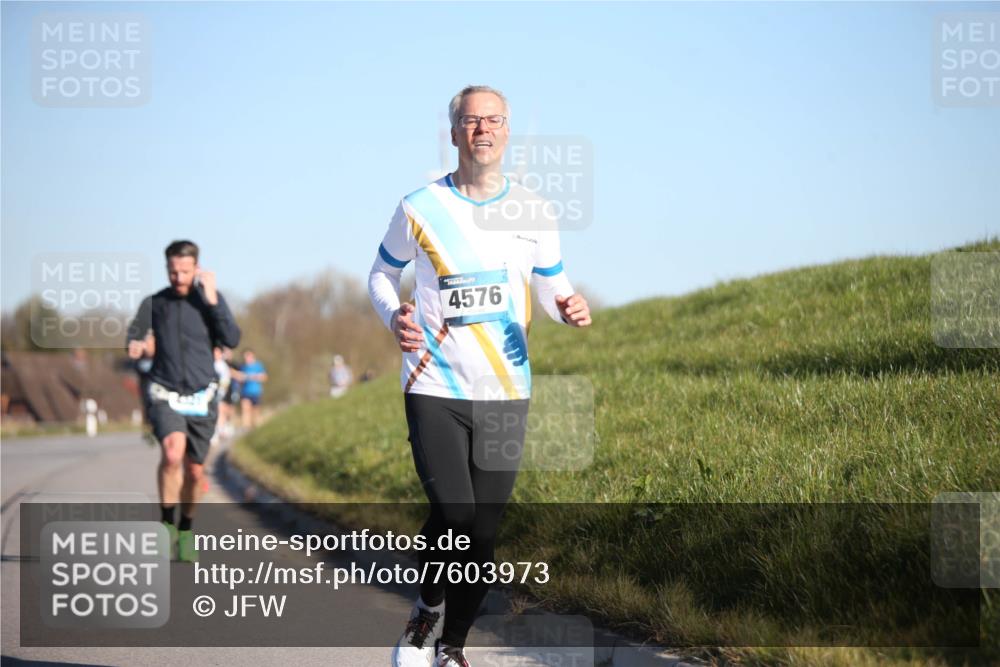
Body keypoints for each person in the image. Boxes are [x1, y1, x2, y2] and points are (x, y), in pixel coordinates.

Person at [368, 85, 591, 667]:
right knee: (456, 513)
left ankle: (452, 648)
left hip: (505, 390)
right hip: (433, 383)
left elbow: (550, 285)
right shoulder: (419, 206)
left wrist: (567, 304)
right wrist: (395, 316)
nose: (482, 130)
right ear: (454, 134)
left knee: (480, 534)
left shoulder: (536, 211)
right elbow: (379, 276)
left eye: (493, 120)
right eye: (471, 121)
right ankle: (425, 609)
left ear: (507, 130)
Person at [126, 240, 241, 562]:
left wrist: (214, 297)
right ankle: (166, 525)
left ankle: (186, 528)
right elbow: (134, 335)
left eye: (185, 272)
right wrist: (136, 345)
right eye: (173, 271)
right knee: (172, 453)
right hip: (164, 391)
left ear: (197, 269)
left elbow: (231, 338)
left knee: (194, 472)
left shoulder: (210, 302)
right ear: (167, 269)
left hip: (202, 397)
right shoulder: (154, 303)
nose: (178, 277)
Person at [232, 349, 267, 429]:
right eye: (245, 357)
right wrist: (235, 374)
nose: (247, 358)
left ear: (252, 356)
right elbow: (239, 377)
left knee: (256, 411)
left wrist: (254, 377)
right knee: (245, 409)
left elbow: (264, 377)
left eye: (248, 356)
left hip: (256, 392)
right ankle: (246, 428)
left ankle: (257, 427)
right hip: (245, 392)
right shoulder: (243, 367)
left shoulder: (258, 365)